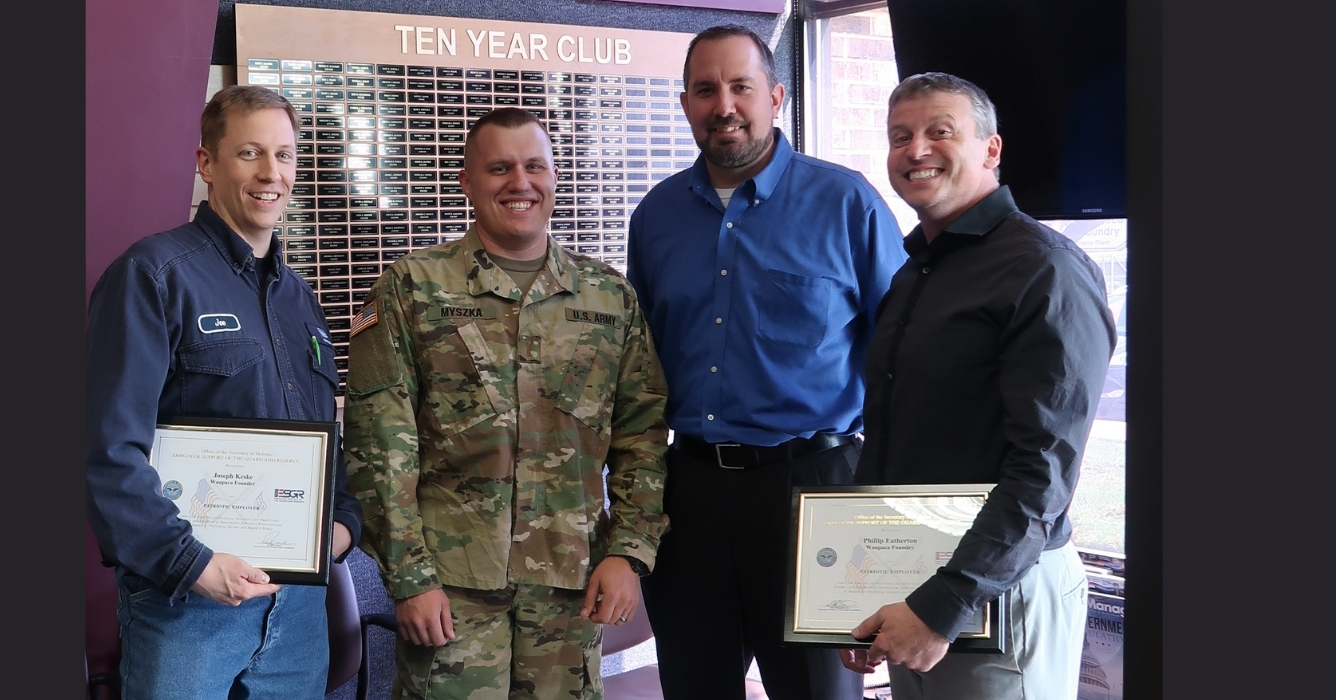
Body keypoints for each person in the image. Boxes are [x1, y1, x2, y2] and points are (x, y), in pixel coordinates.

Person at [342, 106, 672, 700]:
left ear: (553, 177)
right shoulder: (411, 289)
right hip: (451, 590)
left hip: (572, 589)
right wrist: (409, 578)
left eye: (534, 166)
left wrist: (629, 552)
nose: (520, 183)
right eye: (499, 168)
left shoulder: (609, 298)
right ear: (467, 181)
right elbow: (379, 447)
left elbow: (641, 439)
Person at [624, 24, 907, 700]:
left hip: (815, 489)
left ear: (775, 96)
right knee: (695, 686)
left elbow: (902, 360)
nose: (724, 104)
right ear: (686, 103)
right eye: (705, 89)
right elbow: (638, 365)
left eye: (741, 86)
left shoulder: (847, 204)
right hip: (688, 494)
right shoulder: (657, 215)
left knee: (816, 691)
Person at [836, 72, 1116, 700]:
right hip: (919, 583)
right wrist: (867, 591)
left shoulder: (1044, 269)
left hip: (996, 591)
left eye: (941, 132)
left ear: (991, 150)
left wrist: (944, 603)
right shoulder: (918, 272)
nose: (916, 150)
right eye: (900, 136)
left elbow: (1042, 473)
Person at [85, 84, 364, 700]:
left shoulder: (301, 301)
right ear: (206, 163)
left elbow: (324, 442)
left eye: (286, 155)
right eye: (250, 154)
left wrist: (342, 524)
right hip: (188, 607)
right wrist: (193, 565)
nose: (272, 174)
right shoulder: (153, 276)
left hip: (296, 613)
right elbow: (107, 448)